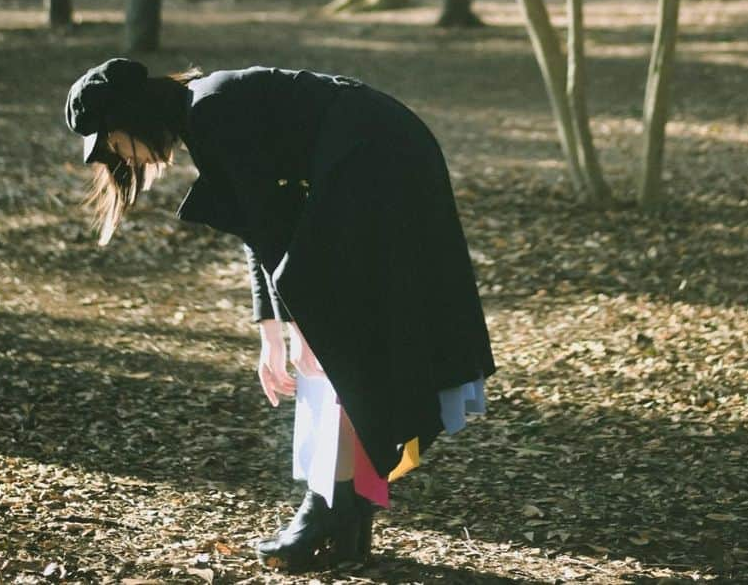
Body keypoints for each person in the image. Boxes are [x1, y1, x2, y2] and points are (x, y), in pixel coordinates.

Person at [63, 58, 495, 573]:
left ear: (130, 116)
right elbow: (259, 226)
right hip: (378, 158)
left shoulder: (212, 111)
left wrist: (300, 324)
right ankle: (350, 515)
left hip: (379, 161)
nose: (118, 154)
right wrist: (271, 330)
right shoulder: (205, 112)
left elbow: (275, 227)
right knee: (349, 340)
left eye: (112, 140)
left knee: (346, 341)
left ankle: (331, 505)